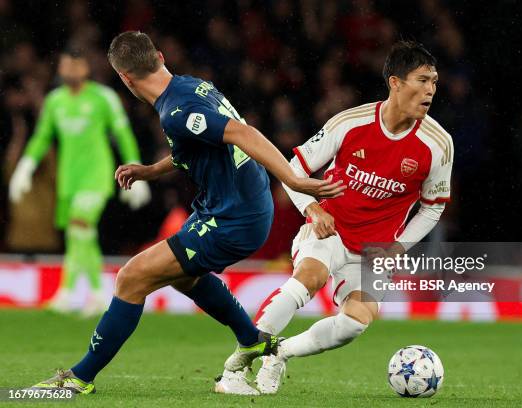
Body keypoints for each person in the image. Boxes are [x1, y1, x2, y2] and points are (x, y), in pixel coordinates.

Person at [31, 31, 344, 395]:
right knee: (181, 275)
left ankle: (79, 378)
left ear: (124, 78)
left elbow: (243, 133)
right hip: (230, 204)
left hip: (236, 217)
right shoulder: (192, 87)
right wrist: (150, 170)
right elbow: (192, 149)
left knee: (131, 277)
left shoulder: (177, 112)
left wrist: (294, 179)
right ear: (160, 57)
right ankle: (251, 338)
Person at [219, 40, 454, 394]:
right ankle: (234, 368)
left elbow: (433, 206)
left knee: (355, 323)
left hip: (373, 250)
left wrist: (398, 246)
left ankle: (278, 354)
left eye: (434, 82)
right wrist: (312, 210)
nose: (431, 90)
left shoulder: (438, 144)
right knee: (307, 280)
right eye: (422, 80)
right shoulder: (351, 122)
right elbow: (294, 167)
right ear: (395, 82)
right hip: (330, 229)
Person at [8, 47, 151, 316]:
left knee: (80, 225)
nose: (71, 70)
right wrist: (25, 167)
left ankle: (94, 293)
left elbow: (123, 135)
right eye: (66, 65)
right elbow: (42, 137)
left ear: (86, 68)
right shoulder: (55, 101)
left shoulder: (103, 98)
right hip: (68, 180)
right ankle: (70, 290)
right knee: (77, 235)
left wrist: (138, 172)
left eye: (76, 65)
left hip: (96, 175)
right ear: (60, 69)